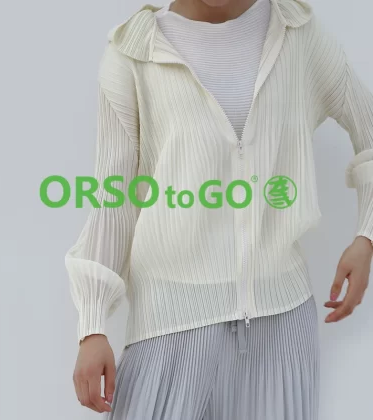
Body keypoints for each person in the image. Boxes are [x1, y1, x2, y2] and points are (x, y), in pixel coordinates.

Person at [65, 0, 373, 418]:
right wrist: (93, 324)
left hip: (281, 327)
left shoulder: (298, 33)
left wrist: (366, 236)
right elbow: (113, 201)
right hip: (170, 327)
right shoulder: (134, 53)